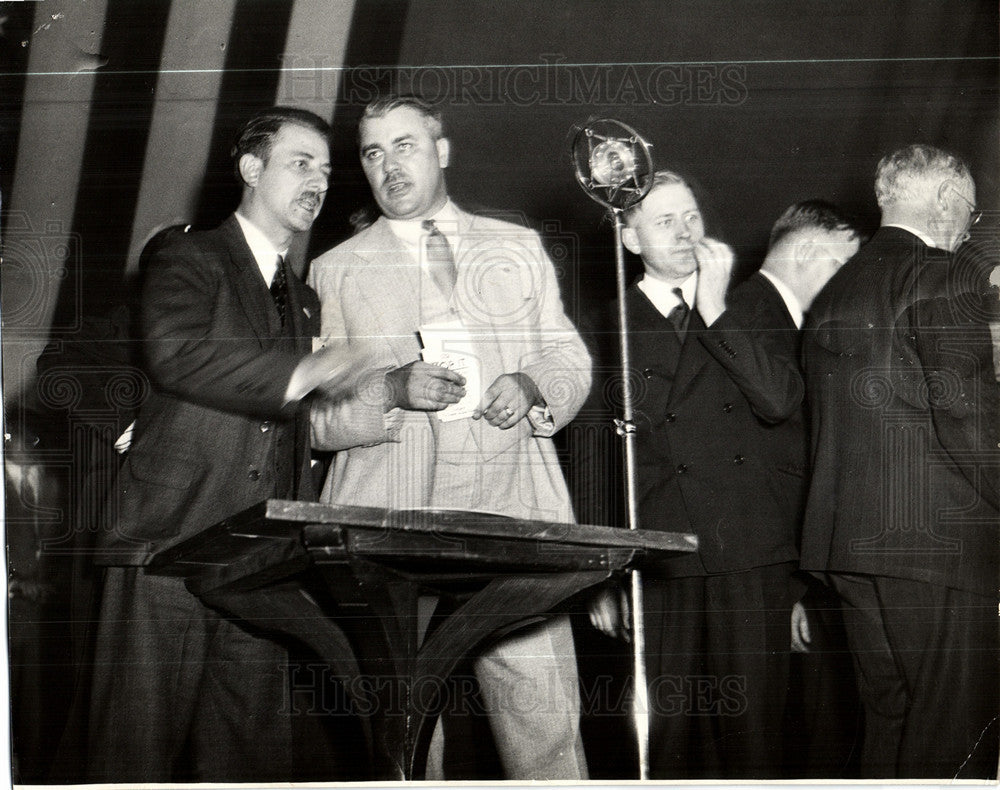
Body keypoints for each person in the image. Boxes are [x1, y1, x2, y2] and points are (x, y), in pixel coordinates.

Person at [308, 94, 592, 780]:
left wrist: (529, 388)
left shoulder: (517, 246)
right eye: (373, 153)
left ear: (441, 151)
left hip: (515, 511)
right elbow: (314, 418)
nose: (388, 166)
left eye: (404, 145)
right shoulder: (334, 269)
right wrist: (389, 393)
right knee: (404, 732)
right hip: (391, 524)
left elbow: (568, 359)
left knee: (545, 724)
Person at [85, 107, 358, 783]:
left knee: (251, 757)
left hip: (259, 564)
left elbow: (291, 434)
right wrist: (303, 373)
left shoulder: (305, 301)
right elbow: (179, 354)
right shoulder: (189, 255)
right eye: (302, 163)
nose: (319, 181)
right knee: (132, 755)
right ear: (250, 169)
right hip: (168, 543)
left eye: (326, 169)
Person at [587, 175, 861, 778]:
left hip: (751, 552)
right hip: (661, 555)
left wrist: (714, 308)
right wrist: (600, 574)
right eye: (665, 222)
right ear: (629, 239)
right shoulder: (611, 325)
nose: (687, 232)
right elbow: (596, 459)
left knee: (753, 737)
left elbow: (779, 400)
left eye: (692, 216)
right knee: (668, 736)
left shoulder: (749, 307)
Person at [801, 144, 999, 778]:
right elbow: (967, 416)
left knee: (889, 723)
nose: (969, 229)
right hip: (937, 545)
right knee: (954, 732)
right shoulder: (941, 277)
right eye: (970, 214)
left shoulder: (833, 291)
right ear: (945, 202)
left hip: (848, 546)